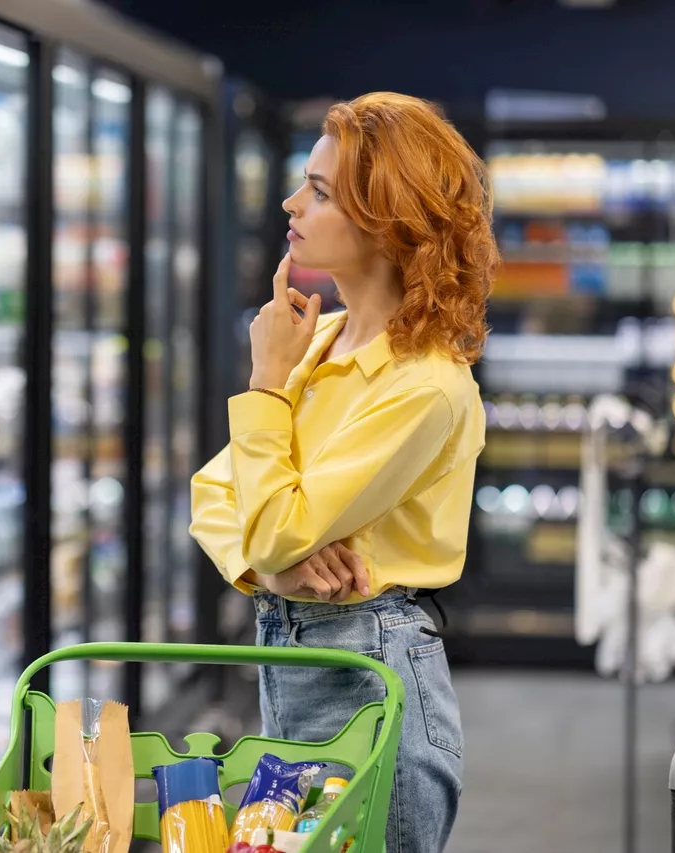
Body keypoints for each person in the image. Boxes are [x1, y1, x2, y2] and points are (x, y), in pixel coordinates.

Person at [189, 92, 495, 853]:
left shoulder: (425, 385)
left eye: (320, 191)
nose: (292, 202)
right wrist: (278, 575)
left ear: (388, 220)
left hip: (369, 668)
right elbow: (212, 496)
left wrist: (264, 385)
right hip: (293, 648)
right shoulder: (317, 339)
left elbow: (272, 524)